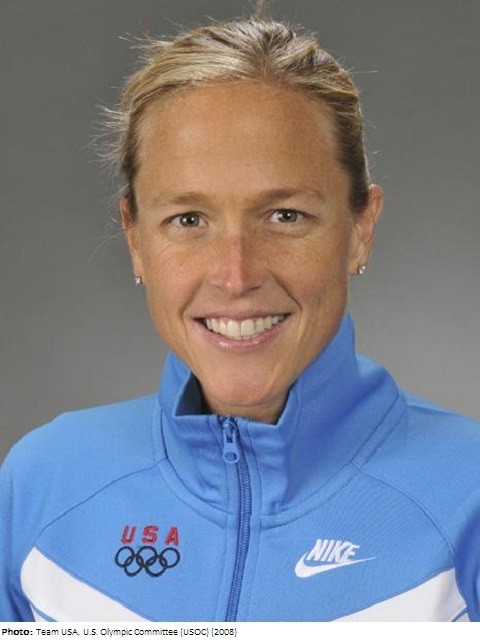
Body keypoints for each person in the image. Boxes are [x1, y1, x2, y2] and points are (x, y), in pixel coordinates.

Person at [1, 9, 479, 623]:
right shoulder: (42, 487)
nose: (236, 274)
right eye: (188, 220)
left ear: (360, 229)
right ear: (135, 239)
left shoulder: (468, 498)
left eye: (285, 216)